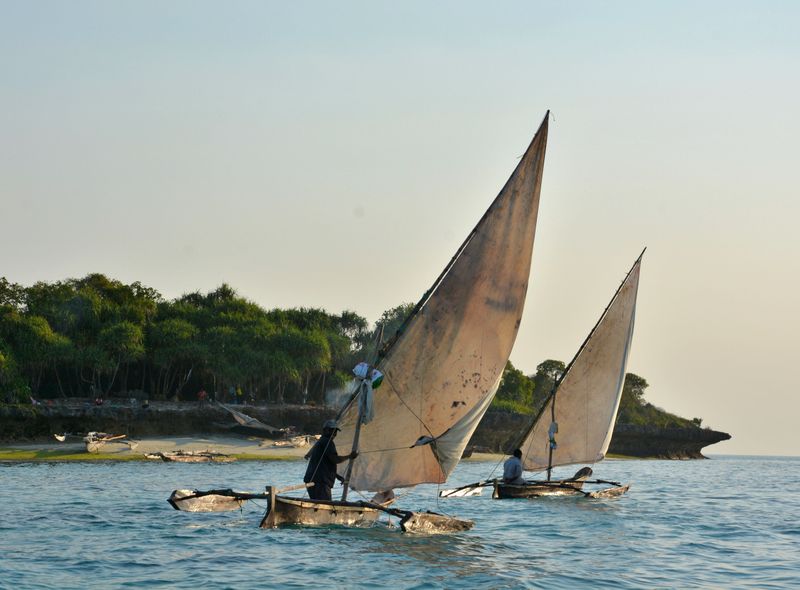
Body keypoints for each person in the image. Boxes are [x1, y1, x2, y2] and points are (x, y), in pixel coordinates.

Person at [303, 419, 357, 501]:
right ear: (325, 430)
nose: (334, 434)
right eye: (332, 431)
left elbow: (325, 465)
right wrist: (349, 456)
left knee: (318, 505)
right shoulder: (327, 442)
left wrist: (338, 476)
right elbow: (334, 459)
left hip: (313, 480)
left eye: (335, 431)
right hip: (320, 482)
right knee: (325, 504)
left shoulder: (321, 442)